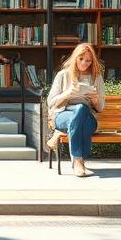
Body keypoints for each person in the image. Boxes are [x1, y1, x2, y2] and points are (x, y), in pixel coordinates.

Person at [46, 42, 106, 178]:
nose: (84, 63)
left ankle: (59, 134)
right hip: (63, 115)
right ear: (75, 57)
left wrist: (96, 100)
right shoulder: (63, 75)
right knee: (78, 112)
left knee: (81, 108)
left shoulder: (96, 77)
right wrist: (68, 93)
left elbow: (101, 108)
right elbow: (51, 102)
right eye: (81, 59)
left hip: (88, 119)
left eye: (88, 61)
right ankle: (78, 160)